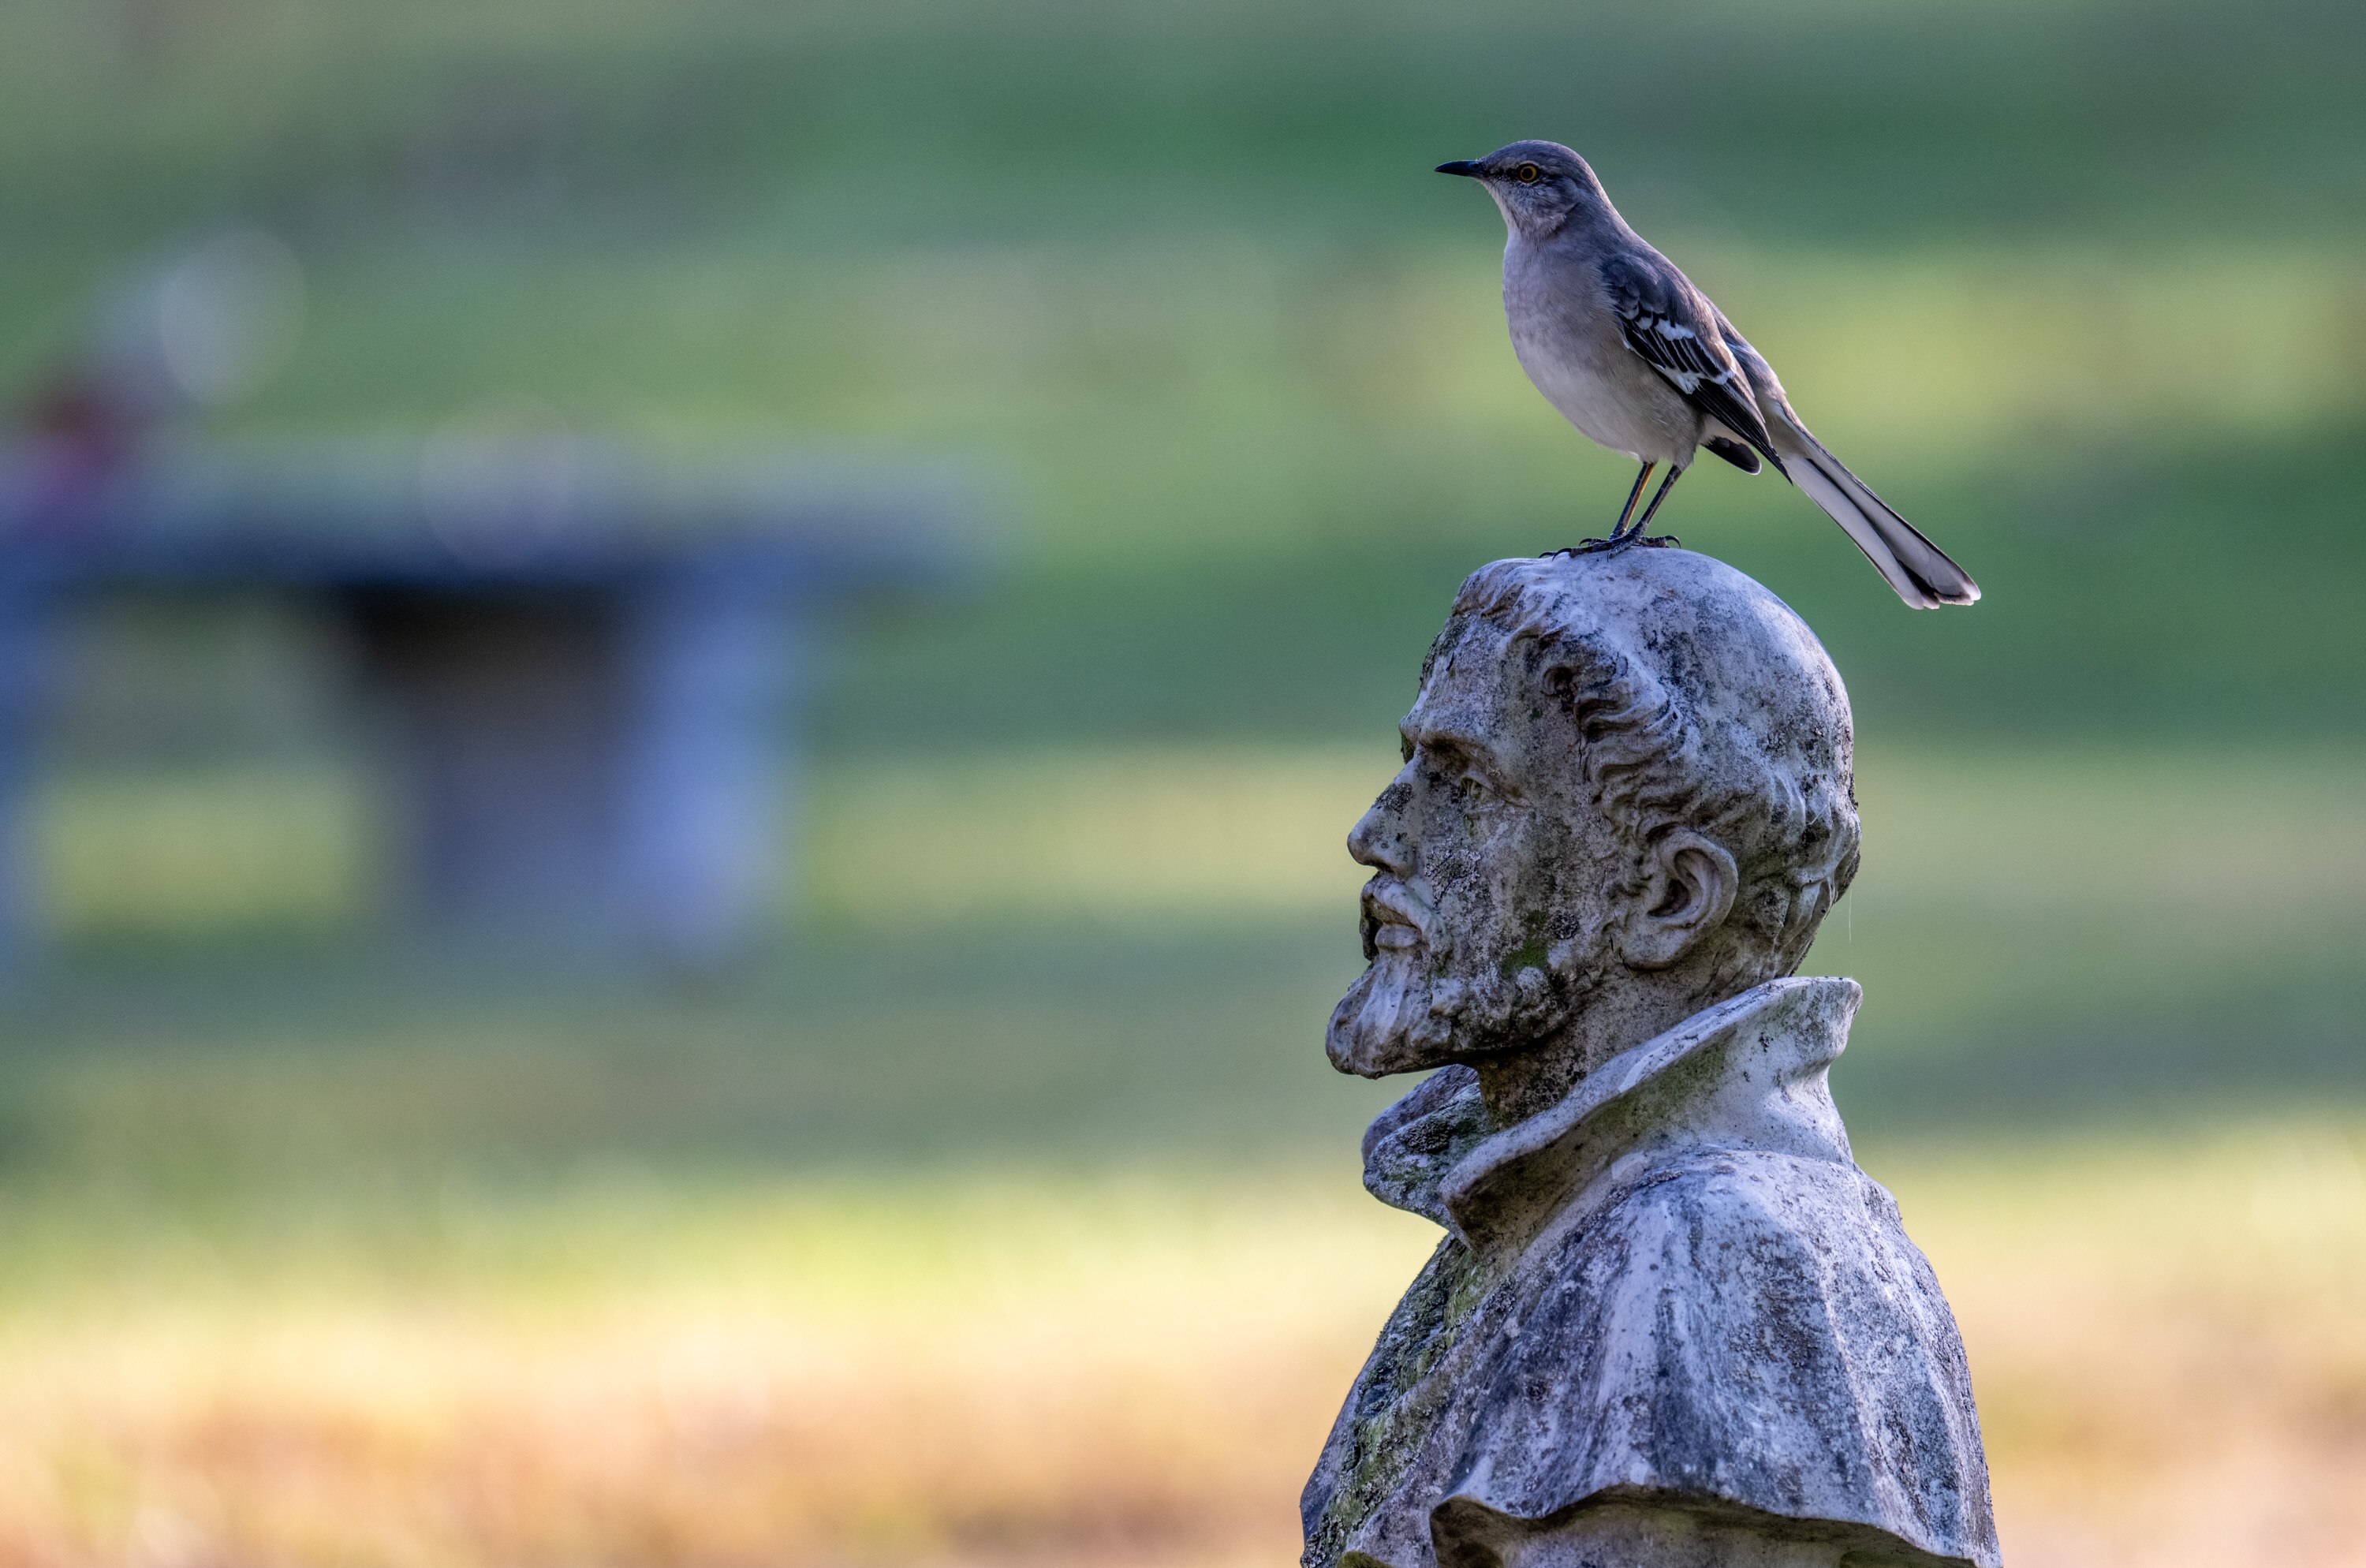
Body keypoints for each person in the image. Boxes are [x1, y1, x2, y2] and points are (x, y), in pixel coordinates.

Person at [1303, 549, 1998, 1568]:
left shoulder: (1712, 1268)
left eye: (1465, 786)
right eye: (1411, 767)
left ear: (1672, 898)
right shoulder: (1567, 1219)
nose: (1377, 833)